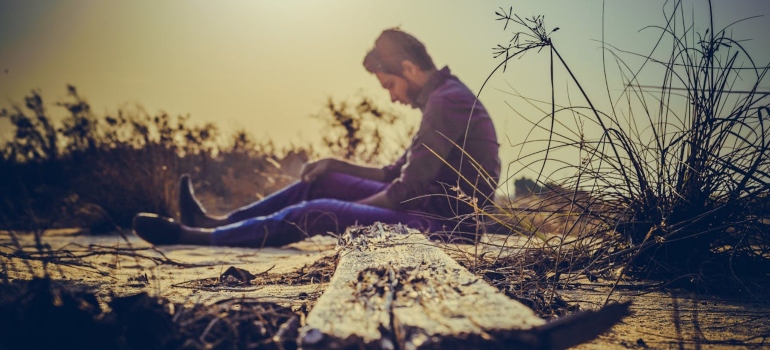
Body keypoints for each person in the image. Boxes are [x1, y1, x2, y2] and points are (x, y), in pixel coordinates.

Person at [133, 28, 501, 247]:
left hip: (447, 229)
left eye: (390, 85)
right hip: (421, 210)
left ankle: (197, 237)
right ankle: (219, 222)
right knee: (322, 180)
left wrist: (348, 210)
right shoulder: (443, 98)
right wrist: (333, 165)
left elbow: (403, 191)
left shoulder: (448, 103)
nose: (391, 96)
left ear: (408, 68)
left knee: (322, 210)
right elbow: (394, 174)